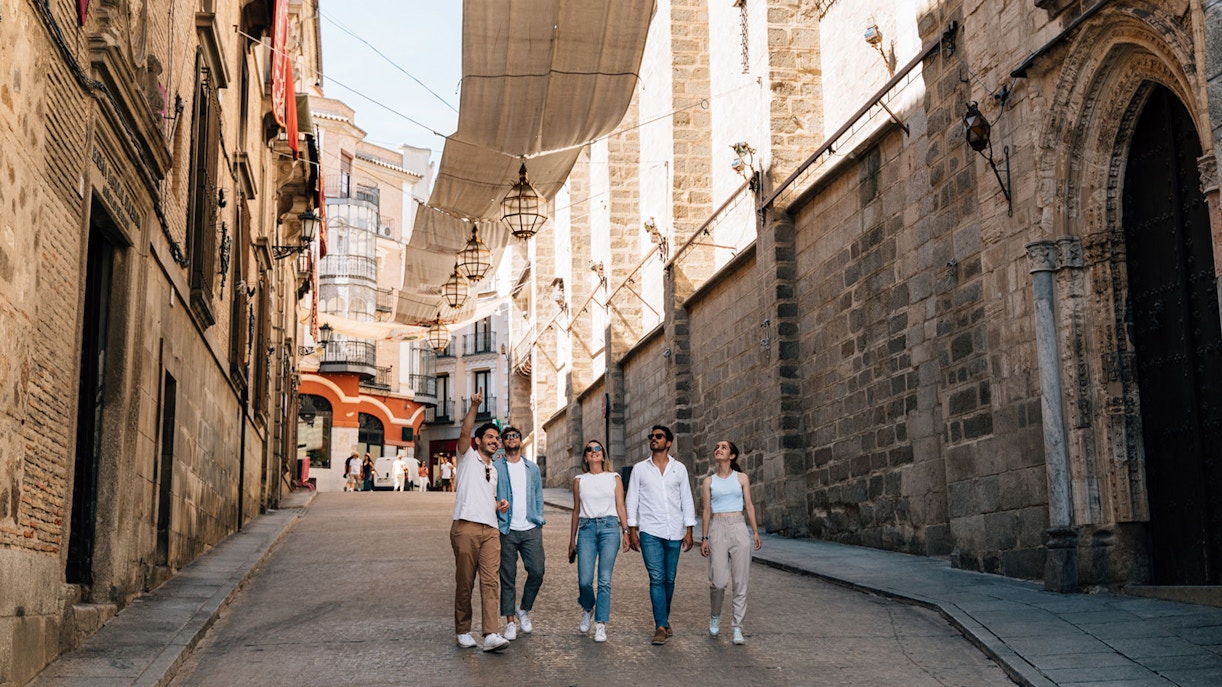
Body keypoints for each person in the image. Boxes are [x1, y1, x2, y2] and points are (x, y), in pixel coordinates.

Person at [449, 389, 511, 652]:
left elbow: (486, 495)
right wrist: (474, 405)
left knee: (490, 581)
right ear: (477, 441)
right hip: (465, 527)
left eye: (497, 438)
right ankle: (463, 630)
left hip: (491, 530)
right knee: (465, 582)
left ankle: (490, 634)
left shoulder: (494, 470)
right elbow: (464, 432)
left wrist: (498, 504)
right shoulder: (466, 457)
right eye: (490, 437)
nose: (495, 441)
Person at [626, 425, 697, 645]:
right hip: (650, 531)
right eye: (652, 437)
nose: (653, 439)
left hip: (674, 530)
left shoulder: (680, 469)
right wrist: (632, 529)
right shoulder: (639, 469)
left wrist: (689, 530)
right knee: (656, 578)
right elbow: (632, 499)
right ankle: (659, 625)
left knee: (669, 578)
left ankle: (664, 620)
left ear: (668, 442)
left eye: (659, 437)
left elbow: (686, 498)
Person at [699, 440, 762, 645]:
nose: (719, 449)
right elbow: (706, 511)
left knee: (740, 580)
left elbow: (749, 506)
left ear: (732, 456)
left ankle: (737, 627)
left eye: (724, 447)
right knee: (718, 580)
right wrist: (705, 538)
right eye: (716, 446)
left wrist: (754, 532)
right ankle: (715, 615)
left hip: (738, 526)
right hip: (717, 526)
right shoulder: (709, 482)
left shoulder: (741, 478)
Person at [568, 439, 629, 643]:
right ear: (585, 457)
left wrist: (627, 531)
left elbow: (621, 507)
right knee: (584, 580)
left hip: (610, 529)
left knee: (604, 580)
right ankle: (587, 607)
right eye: (589, 450)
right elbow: (576, 511)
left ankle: (601, 624)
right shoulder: (579, 480)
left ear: (603, 455)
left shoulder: (614, 477)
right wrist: (572, 540)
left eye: (597, 449)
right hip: (585, 529)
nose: (594, 452)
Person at [493, 426, 545, 641]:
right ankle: (510, 622)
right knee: (507, 577)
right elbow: (489, 494)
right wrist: (497, 506)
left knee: (537, 571)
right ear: (503, 443)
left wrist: (539, 517)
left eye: (515, 436)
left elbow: (538, 495)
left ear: (521, 442)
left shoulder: (532, 468)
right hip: (506, 529)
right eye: (508, 437)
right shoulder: (496, 467)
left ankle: (523, 608)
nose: (512, 439)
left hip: (531, 527)